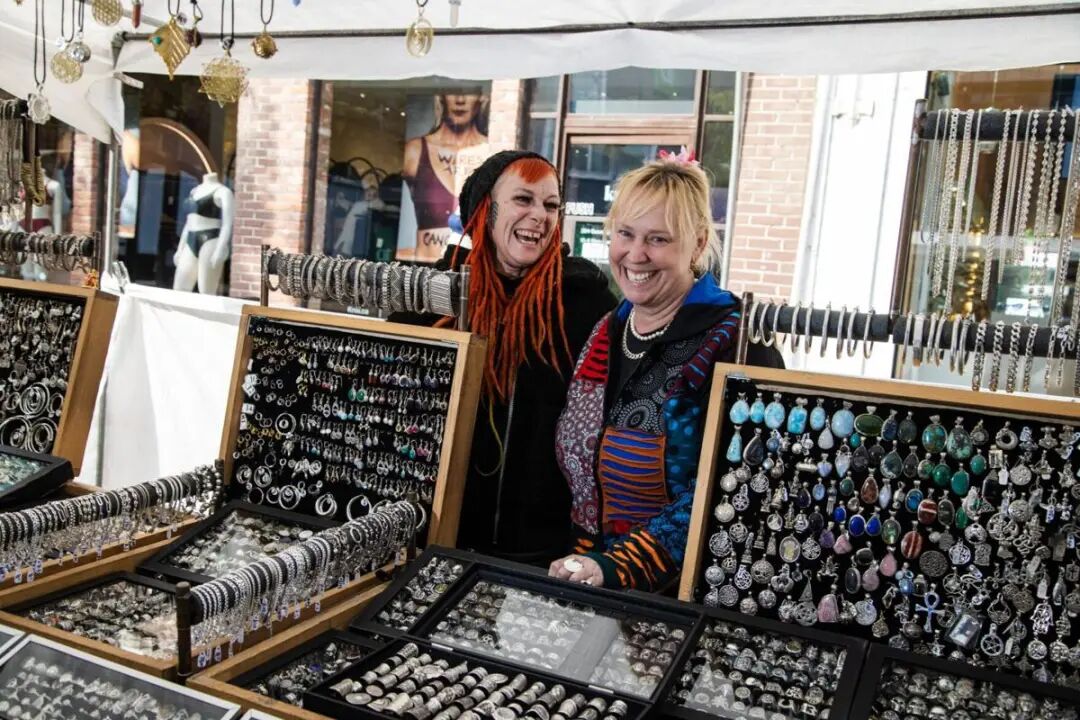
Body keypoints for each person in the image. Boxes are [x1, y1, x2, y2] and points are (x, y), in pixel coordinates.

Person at [549, 152, 783, 591]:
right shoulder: (607, 328)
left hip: (686, 594)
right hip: (585, 578)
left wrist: (619, 564)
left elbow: (737, 485)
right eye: (625, 234)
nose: (635, 255)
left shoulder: (737, 341)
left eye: (657, 239)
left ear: (696, 244)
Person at [392, 150, 617, 564]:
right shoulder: (433, 294)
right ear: (485, 211)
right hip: (434, 536)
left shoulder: (585, 301)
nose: (540, 216)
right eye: (523, 199)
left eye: (551, 205)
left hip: (541, 549)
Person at [401, 93, 489, 261]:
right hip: (422, 267)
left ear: (481, 100)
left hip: (465, 268)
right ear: (441, 98)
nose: (460, 100)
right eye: (454, 92)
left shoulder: (488, 153)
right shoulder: (416, 149)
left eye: (468, 93)